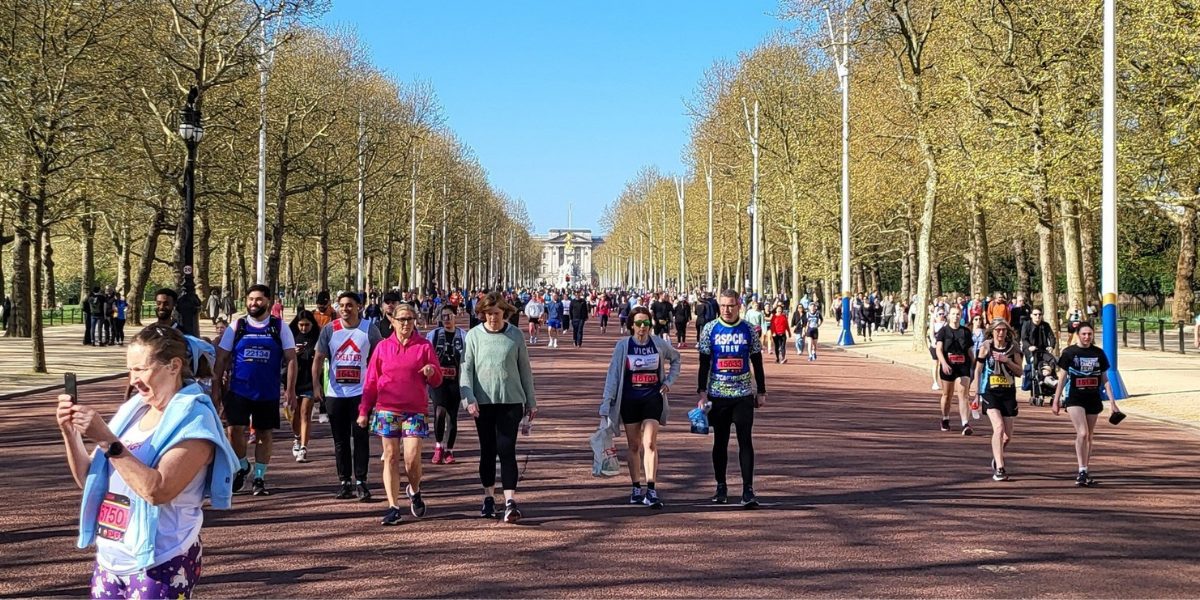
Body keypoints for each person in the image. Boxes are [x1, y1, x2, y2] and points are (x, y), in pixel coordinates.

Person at [57, 325, 237, 599]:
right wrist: (70, 433)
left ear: (174, 366)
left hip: (162, 558)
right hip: (112, 557)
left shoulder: (195, 421)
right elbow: (89, 479)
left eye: (141, 369)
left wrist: (106, 439)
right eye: (130, 370)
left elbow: (157, 490)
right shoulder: (133, 411)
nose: (134, 379)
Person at [359, 302, 443, 526]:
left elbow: (437, 379)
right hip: (387, 408)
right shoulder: (383, 347)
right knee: (391, 457)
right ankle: (393, 506)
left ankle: (414, 490)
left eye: (410, 319)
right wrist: (364, 410)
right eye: (402, 319)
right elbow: (371, 381)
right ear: (393, 321)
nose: (406, 324)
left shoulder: (424, 346)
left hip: (415, 410)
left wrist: (432, 371)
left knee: (412, 457)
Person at [211, 284, 298, 496]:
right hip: (239, 389)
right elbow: (222, 357)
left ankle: (259, 477)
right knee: (234, 431)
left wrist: (290, 390)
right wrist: (216, 388)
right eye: (250, 299)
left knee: (264, 434)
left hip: (267, 392)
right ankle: (242, 465)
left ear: (268, 301)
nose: (253, 303)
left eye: (258, 299)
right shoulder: (237, 326)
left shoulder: (279, 327)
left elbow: (291, 359)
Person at [460, 291, 537, 523]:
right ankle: (488, 496)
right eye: (488, 314)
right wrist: (468, 398)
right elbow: (466, 370)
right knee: (487, 450)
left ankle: (510, 500)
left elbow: (525, 369)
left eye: (496, 313)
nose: (492, 318)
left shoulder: (516, 336)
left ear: (504, 313)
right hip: (482, 403)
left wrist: (531, 401)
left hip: (511, 400)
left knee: (506, 449)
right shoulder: (473, 336)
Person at [599, 306, 681, 509]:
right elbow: (613, 375)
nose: (642, 328)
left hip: (652, 399)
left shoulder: (659, 344)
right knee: (634, 446)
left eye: (646, 323)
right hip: (629, 400)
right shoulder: (623, 346)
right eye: (638, 323)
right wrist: (606, 402)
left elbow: (676, 359)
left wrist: (668, 382)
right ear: (631, 326)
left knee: (650, 443)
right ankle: (636, 487)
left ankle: (651, 489)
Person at [696, 290, 767, 508]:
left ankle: (748, 489)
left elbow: (757, 361)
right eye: (724, 306)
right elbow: (704, 363)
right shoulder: (709, 329)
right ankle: (721, 486)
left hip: (743, 395)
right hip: (718, 396)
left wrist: (761, 391)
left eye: (731, 306)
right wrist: (702, 392)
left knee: (746, 441)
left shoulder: (748, 330)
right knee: (720, 442)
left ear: (739, 306)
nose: (727, 310)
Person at [312, 291, 383, 500]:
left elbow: (380, 359)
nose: (345, 309)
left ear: (359, 307)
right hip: (335, 393)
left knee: (360, 437)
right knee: (340, 440)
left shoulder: (369, 330)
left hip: (360, 393)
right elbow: (318, 358)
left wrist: (378, 387)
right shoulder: (329, 330)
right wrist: (316, 385)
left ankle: (361, 480)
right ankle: (344, 481)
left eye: (349, 305)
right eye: (342, 305)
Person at [1053, 322, 1122, 487]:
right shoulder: (1069, 353)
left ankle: (1084, 470)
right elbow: (1062, 378)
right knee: (1082, 433)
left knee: (1089, 436)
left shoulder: (1098, 354)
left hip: (1093, 397)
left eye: (1090, 334)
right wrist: (1056, 400)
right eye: (1084, 334)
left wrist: (1113, 403)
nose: (1087, 337)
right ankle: (1081, 470)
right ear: (1077, 334)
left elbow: (1105, 380)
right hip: (1075, 397)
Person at [973, 318, 1022, 481]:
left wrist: (1006, 360)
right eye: (998, 330)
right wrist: (976, 393)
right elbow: (978, 371)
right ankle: (1000, 468)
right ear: (992, 331)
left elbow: (1020, 372)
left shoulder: (1013, 347)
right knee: (998, 428)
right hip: (990, 392)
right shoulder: (986, 347)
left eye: (1003, 330)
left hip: (1008, 393)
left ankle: (997, 455)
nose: (1001, 333)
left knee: (1007, 436)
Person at [427, 305, 467, 465]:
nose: (446, 319)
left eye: (449, 316)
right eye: (443, 316)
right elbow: (427, 355)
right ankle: (438, 446)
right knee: (439, 412)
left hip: (456, 381)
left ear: (455, 316)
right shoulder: (433, 335)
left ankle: (449, 450)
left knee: (452, 416)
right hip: (438, 381)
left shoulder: (464, 336)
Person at [936, 306, 975, 435]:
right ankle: (945, 418)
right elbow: (939, 349)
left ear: (961, 316)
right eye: (953, 314)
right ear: (949, 316)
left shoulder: (966, 332)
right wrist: (943, 363)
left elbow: (970, 350)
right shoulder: (943, 331)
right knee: (947, 395)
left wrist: (975, 365)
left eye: (958, 314)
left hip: (963, 365)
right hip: (948, 365)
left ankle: (965, 423)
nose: (956, 316)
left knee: (963, 395)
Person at [288, 310, 319, 463]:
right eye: (301, 324)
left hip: (310, 380)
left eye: (307, 325)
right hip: (294, 381)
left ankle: (304, 447)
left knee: (305, 412)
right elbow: (282, 359)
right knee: (294, 414)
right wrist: (293, 354)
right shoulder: (290, 337)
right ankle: (297, 437)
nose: (304, 328)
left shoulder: (317, 338)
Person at [927, 309, 948, 391]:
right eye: (940, 314)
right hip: (935, 346)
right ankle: (935, 382)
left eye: (943, 314)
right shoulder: (934, 324)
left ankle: (944, 381)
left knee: (943, 364)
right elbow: (931, 335)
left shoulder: (946, 324)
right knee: (935, 363)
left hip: (944, 346)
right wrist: (934, 342)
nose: (941, 315)